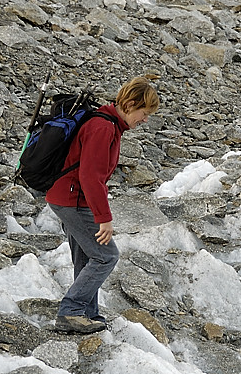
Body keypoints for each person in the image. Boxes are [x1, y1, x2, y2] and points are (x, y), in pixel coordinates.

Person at [47, 76, 160, 334]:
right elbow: (90, 176)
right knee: (107, 256)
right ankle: (71, 311)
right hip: (73, 200)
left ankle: (87, 313)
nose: (145, 120)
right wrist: (103, 217)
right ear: (130, 104)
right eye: (144, 113)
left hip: (66, 197)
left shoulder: (108, 124)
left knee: (86, 256)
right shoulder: (103, 127)